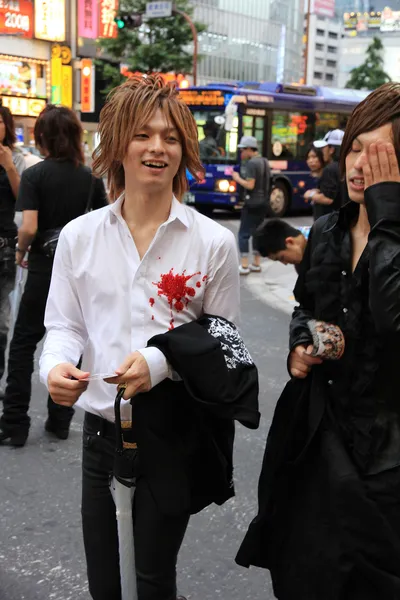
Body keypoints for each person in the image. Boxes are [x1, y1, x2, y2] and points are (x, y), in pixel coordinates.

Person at [37, 75, 256, 600]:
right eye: (142, 134)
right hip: (101, 431)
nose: (157, 147)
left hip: (172, 431)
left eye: (171, 137)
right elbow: (64, 325)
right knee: (106, 583)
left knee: (153, 578)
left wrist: (160, 362)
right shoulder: (79, 236)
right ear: (116, 145)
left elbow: (224, 341)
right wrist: (54, 367)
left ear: (183, 150)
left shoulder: (213, 242)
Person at [236, 82, 400, 598]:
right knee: (309, 570)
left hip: (389, 453)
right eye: (354, 147)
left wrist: (388, 217)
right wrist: (301, 344)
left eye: (375, 154)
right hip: (322, 434)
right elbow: (306, 305)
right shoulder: (327, 229)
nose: (357, 165)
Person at [0, 105, 108, 448]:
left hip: (44, 268)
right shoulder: (90, 178)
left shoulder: (35, 175)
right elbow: (103, 223)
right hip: (77, 271)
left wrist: (21, 251)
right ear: (76, 136)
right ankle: (59, 419)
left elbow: (28, 226)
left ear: (42, 137)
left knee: (23, 345)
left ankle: (14, 424)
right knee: (70, 339)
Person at [0, 107, 26, 399]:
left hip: (4, 244)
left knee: (2, 320)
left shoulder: (15, 158)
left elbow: (23, 201)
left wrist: (8, 166)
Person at [232, 135, 271, 275]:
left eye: (243, 150)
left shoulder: (251, 164)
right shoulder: (265, 161)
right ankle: (256, 263)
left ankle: (244, 265)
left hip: (252, 203)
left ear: (249, 149)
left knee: (243, 234)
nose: (241, 153)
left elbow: (250, 184)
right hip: (264, 203)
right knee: (257, 233)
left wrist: (236, 178)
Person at [310, 128, 344, 220]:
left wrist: (310, 195)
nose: (321, 151)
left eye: (324, 148)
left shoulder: (330, 169)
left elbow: (328, 198)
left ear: (331, 150)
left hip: (329, 223)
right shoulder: (346, 166)